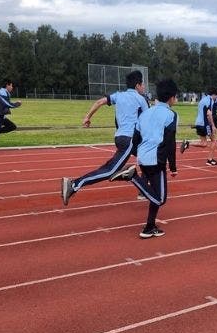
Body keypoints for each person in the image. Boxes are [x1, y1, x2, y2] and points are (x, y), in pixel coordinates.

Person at [60, 70, 149, 206]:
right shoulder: (141, 99)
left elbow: (99, 102)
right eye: (142, 84)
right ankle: (74, 184)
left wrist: (87, 117)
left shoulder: (118, 96)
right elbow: (148, 120)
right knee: (110, 170)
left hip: (120, 138)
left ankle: (143, 189)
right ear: (137, 85)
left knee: (147, 158)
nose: (144, 87)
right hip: (130, 140)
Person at [110, 78, 179, 238]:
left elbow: (135, 138)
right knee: (160, 199)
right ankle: (133, 177)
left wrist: (137, 154)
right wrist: (173, 167)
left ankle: (149, 226)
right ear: (171, 98)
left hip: (143, 158)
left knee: (153, 194)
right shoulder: (171, 115)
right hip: (157, 160)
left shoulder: (145, 113)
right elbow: (170, 143)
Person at [181, 87, 217, 165]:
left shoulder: (203, 100)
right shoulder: (210, 100)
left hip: (199, 123)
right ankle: (210, 160)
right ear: (214, 94)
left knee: (204, 144)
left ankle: (188, 143)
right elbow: (209, 114)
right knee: (214, 140)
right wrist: (213, 126)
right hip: (205, 124)